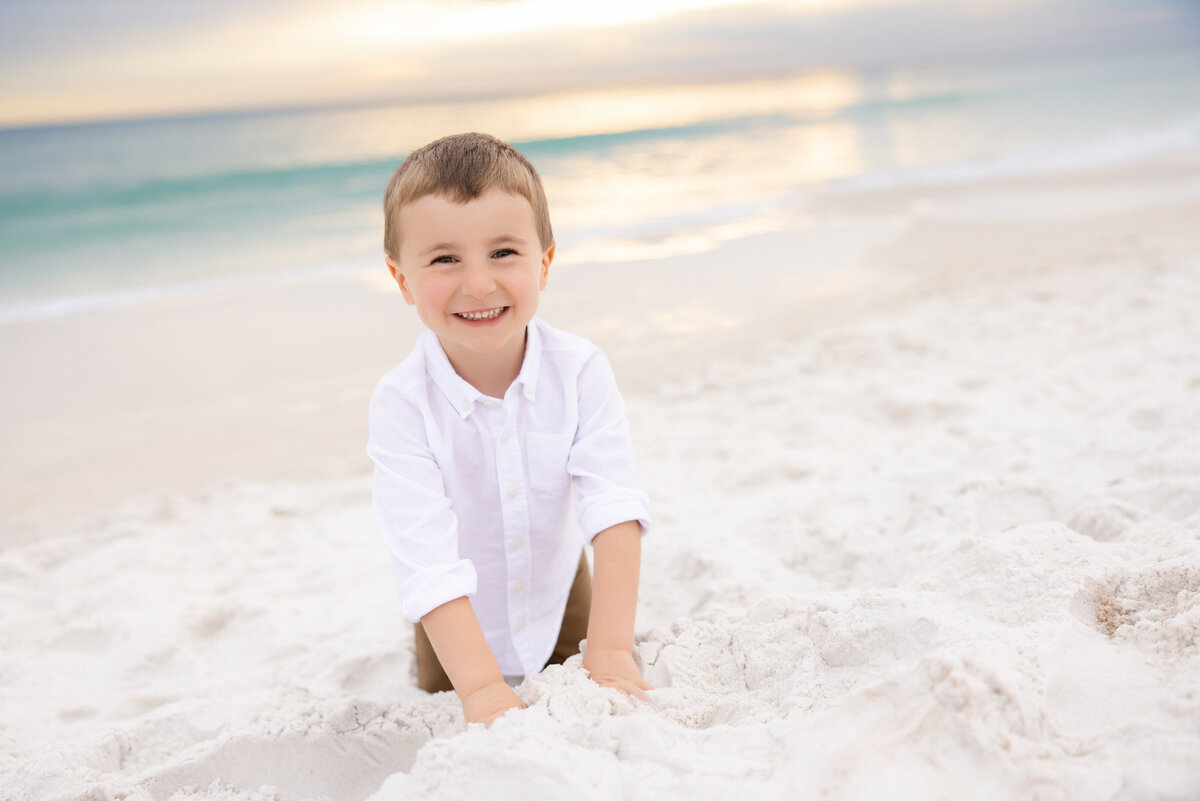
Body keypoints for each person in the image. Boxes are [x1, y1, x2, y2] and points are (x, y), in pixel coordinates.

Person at [367, 132, 652, 726]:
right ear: (401, 280)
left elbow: (613, 507)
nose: (477, 284)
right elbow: (425, 559)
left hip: (559, 593)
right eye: (445, 259)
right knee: (447, 687)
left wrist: (611, 650)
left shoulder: (579, 370)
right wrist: (481, 691)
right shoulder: (401, 403)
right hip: (456, 618)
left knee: (585, 646)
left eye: (503, 253)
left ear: (544, 263)